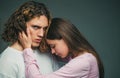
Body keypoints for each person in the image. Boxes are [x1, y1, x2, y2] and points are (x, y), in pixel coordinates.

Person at [20, 18, 104, 78]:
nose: (52, 51)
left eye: (53, 46)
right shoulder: (78, 55)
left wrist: (27, 49)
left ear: (66, 38)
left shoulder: (83, 62)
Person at [0, 1, 59, 78]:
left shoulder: (47, 53)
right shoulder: (6, 61)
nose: (41, 34)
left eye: (44, 29)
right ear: (21, 25)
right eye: (35, 27)